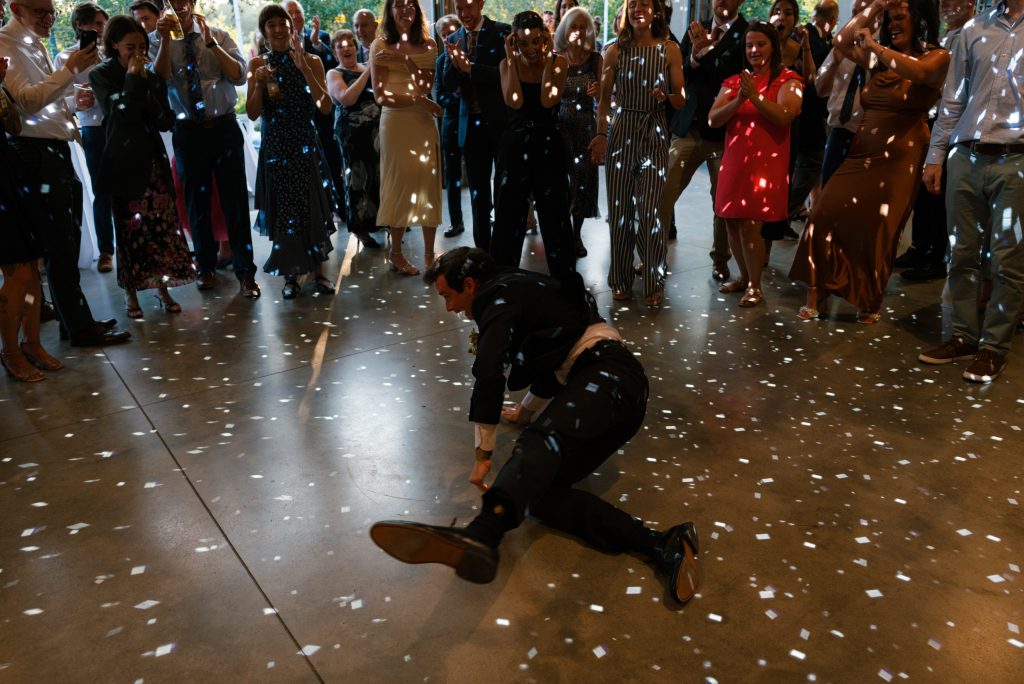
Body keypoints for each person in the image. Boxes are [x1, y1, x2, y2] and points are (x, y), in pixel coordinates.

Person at [369, 247, 701, 604]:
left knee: (542, 441)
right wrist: (526, 410)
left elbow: (489, 370)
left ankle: (482, 534)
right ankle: (662, 544)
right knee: (539, 495)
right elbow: (557, 351)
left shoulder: (494, 296)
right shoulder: (519, 288)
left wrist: (483, 452)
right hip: (614, 395)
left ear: (469, 284)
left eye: (448, 297)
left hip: (609, 377)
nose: (449, 308)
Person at [788, 0, 948, 323]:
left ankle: (869, 298)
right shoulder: (879, 60)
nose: (893, 25)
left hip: (902, 157)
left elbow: (914, 72)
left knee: (878, 229)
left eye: (900, 18)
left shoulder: (936, 56)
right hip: (860, 151)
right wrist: (875, 6)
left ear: (919, 20)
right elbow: (840, 43)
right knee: (823, 212)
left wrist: (875, 45)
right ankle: (816, 291)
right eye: (890, 20)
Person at [0, 0, 131, 347]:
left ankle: (75, 321)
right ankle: (78, 329)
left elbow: (46, 101)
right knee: (58, 244)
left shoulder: (31, 42)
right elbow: (25, 103)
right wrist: (70, 69)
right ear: (16, 8)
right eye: (40, 11)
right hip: (33, 154)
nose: (48, 19)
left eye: (51, 11)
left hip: (55, 148)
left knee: (67, 242)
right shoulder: (5, 44)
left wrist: (73, 101)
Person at [917, 0, 1022, 383]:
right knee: (961, 253)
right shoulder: (974, 30)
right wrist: (936, 156)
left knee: (1009, 261)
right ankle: (963, 335)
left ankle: (993, 347)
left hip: (1017, 159)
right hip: (967, 154)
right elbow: (952, 99)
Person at [89, 15, 197, 318]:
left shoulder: (150, 74)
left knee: (161, 228)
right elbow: (120, 113)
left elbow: (164, 119)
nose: (136, 52)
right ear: (114, 45)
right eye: (129, 46)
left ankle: (163, 288)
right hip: (124, 163)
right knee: (129, 230)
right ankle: (132, 294)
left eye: (140, 46)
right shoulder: (101, 74)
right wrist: (134, 81)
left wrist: (148, 87)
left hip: (152, 162)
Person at [151, 0, 260, 298]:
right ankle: (205, 267)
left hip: (223, 127)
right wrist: (162, 40)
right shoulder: (156, 40)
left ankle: (245, 273)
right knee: (195, 203)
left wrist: (210, 42)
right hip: (188, 132)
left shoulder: (219, 35)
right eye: (174, 0)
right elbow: (157, 82)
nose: (181, 4)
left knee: (235, 202)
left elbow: (239, 76)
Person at [590, 0, 684, 307]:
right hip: (621, 129)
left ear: (655, 11)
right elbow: (604, 101)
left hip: (654, 129)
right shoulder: (614, 50)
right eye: (633, 4)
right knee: (620, 212)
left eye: (645, 4)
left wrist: (666, 95)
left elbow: (681, 99)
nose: (637, 9)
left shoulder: (669, 49)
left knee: (650, 211)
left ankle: (654, 277)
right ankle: (620, 278)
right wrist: (601, 135)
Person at [708, 22, 802, 308]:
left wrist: (755, 96)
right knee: (732, 221)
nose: (754, 50)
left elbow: (785, 116)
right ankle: (743, 277)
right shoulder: (736, 81)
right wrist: (739, 98)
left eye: (760, 44)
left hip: (765, 165)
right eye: (749, 45)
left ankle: (755, 286)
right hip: (735, 161)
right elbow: (713, 119)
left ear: (773, 46)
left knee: (750, 224)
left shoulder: (788, 80)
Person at [247, 4, 336, 300]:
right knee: (285, 209)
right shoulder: (258, 64)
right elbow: (251, 113)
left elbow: (325, 106)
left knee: (311, 203)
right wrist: (258, 84)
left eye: (282, 23)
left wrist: (304, 68)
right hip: (276, 145)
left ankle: (320, 272)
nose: (278, 29)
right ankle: (290, 275)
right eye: (271, 25)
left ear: (291, 27)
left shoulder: (312, 59)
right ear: (264, 32)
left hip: (305, 140)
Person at [659, 0, 748, 284]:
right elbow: (680, 74)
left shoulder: (747, 35)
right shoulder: (695, 30)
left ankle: (720, 260)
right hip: (687, 128)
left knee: (721, 202)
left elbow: (731, 78)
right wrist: (695, 57)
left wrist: (706, 52)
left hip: (722, 133)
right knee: (664, 192)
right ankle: (654, 254)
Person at [489, 11, 574, 277]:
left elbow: (549, 100)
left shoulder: (559, 62)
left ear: (545, 39)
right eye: (523, 43)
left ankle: (564, 282)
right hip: (514, 146)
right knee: (507, 217)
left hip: (548, 145)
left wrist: (548, 60)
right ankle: (503, 281)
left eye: (536, 41)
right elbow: (514, 100)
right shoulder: (506, 65)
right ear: (514, 42)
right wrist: (510, 58)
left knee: (555, 217)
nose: (530, 48)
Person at [370, 0, 442, 275]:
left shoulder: (428, 45)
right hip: (396, 123)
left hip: (422, 124)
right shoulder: (379, 45)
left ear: (416, 11)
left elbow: (426, 85)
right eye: (397, 5)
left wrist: (405, 60)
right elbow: (381, 96)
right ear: (389, 11)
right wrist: (419, 101)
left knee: (427, 184)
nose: (404, 10)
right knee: (397, 184)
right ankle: (396, 253)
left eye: (409, 4)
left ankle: (428, 255)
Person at [1, 58, 57, 381]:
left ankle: (32, 344)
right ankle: (9, 351)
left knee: (34, 268)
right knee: (17, 273)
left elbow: (13, 125)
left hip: (9, 171)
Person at [440, 0, 511, 246]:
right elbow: (448, 83)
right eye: (459, 8)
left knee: (504, 191)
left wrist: (470, 68)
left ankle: (503, 251)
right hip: (470, 127)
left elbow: (508, 75)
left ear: (481, 3)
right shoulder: (454, 37)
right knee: (478, 195)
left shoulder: (503, 31)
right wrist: (454, 64)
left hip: (500, 124)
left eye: (468, 7)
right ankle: (482, 250)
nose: (464, 13)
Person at [54, 2, 113, 273]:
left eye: (103, 24)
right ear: (80, 25)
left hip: (121, 125)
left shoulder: (111, 53)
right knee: (102, 192)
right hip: (92, 128)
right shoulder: (66, 58)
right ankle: (105, 251)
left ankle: (131, 246)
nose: (101, 30)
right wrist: (78, 101)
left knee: (129, 189)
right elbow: (58, 99)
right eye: (96, 24)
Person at [282, 0, 346, 226]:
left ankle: (342, 208)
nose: (294, 16)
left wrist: (316, 42)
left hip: (321, 111)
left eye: (297, 12)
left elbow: (331, 64)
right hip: (294, 115)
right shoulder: (278, 42)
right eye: (289, 13)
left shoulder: (321, 37)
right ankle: (320, 213)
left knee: (332, 159)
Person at [554, 6, 601, 258]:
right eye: (573, 26)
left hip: (585, 127)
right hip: (560, 128)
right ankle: (560, 232)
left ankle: (576, 235)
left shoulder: (595, 58)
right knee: (561, 183)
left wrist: (599, 93)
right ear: (565, 28)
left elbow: (605, 97)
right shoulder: (557, 57)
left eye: (583, 27)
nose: (579, 31)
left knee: (582, 182)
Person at [328, 29, 382, 250]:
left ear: (355, 47)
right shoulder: (334, 73)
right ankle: (361, 228)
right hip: (351, 134)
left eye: (349, 44)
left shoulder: (368, 68)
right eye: (340, 46)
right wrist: (367, 72)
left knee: (379, 176)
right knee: (357, 179)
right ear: (334, 52)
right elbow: (347, 98)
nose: (345, 48)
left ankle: (382, 220)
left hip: (376, 132)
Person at [814, 0, 875, 186]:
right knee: (829, 195)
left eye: (862, 13)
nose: (856, 19)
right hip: (839, 132)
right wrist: (834, 63)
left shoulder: (882, 49)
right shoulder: (838, 47)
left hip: (869, 136)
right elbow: (820, 90)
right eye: (854, 13)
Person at [433, 14, 465, 240]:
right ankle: (456, 222)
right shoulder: (439, 60)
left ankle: (489, 213)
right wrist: (457, 97)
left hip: (473, 124)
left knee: (479, 173)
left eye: (451, 32)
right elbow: (440, 98)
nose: (447, 38)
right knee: (452, 177)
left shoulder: (469, 55)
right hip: (451, 124)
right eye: (443, 35)